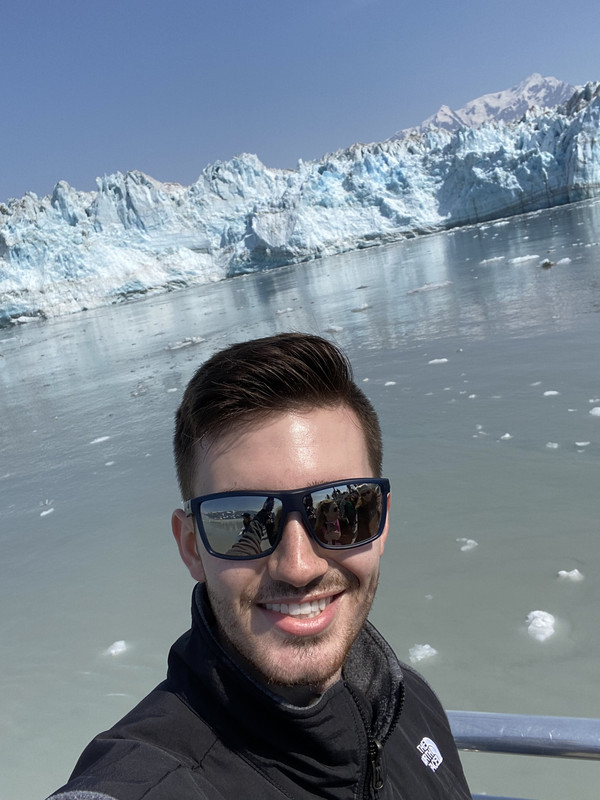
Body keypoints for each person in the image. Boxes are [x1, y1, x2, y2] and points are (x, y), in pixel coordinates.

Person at [48, 332, 471, 800]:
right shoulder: (158, 780)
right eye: (245, 521)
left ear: (382, 521)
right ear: (191, 546)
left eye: (342, 511)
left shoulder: (408, 705)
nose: (298, 566)